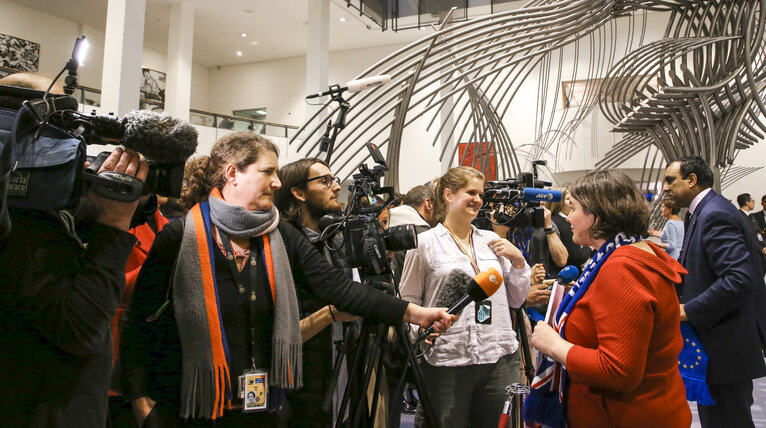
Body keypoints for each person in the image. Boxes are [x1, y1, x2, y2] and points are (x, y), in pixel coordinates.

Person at [119, 132, 454, 427]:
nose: (277, 182)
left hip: (262, 410)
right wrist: (141, 404)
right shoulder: (179, 237)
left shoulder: (280, 235)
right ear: (233, 174)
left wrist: (414, 313)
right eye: (268, 172)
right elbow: (138, 323)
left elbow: (336, 288)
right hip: (191, 409)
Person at [0, 73, 149, 427]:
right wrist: (113, 222)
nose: (73, 141)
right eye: (61, 127)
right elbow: (78, 327)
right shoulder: (19, 221)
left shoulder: (37, 210)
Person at [527, 169, 691, 428]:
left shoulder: (622, 267)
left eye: (574, 209)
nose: (568, 218)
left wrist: (554, 346)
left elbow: (618, 370)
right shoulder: (628, 253)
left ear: (597, 216)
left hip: (625, 415)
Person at [399, 166, 531, 428]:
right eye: (471, 192)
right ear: (448, 194)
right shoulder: (424, 243)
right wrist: (421, 335)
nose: (478, 200)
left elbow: (516, 300)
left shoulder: (493, 241)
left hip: (498, 357)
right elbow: (407, 300)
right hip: (448, 358)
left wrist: (518, 261)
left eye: (480, 194)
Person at [662, 156, 766, 427]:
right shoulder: (703, 212)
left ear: (692, 180)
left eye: (670, 180)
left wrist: (688, 310)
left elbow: (738, 279)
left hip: (726, 348)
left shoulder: (714, 214)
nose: (664, 188)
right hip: (718, 347)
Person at [274, 157, 358, 428]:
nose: (336, 187)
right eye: (325, 181)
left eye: (334, 179)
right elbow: (277, 332)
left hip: (342, 374)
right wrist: (329, 315)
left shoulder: (335, 241)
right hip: (298, 384)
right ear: (298, 193)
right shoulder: (281, 247)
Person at [548, 186, 591, 271]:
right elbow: (577, 257)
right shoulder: (563, 223)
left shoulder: (552, 220)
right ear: (558, 202)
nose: (572, 204)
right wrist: (590, 246)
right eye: (568, 200)